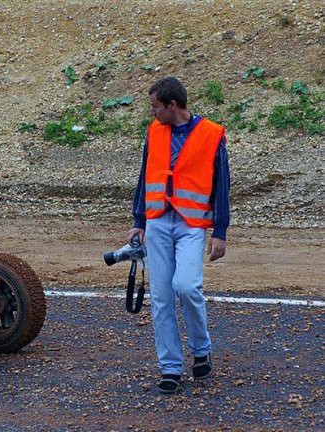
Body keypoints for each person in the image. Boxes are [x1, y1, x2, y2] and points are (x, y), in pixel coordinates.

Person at [127, 77, 230, 394]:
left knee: (185, 287)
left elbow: (222, 185)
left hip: (191, 224)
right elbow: (145, 176)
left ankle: (202, 348)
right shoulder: (153, 132)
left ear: (173, 106)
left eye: (155, 106)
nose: (152, 112)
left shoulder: (211, 135)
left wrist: (220, 231)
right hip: (158, 221)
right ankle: (170, 367)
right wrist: (138, 220)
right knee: (161, 298)